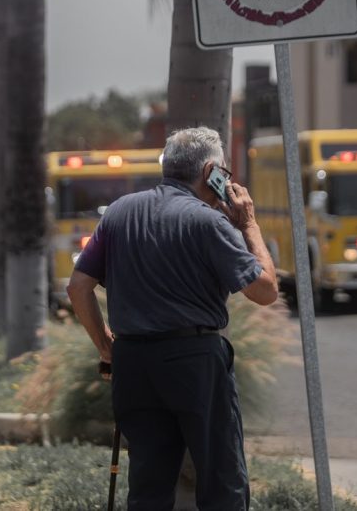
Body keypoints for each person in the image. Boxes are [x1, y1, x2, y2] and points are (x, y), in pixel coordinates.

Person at [68, 126, 279, 510]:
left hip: (132, 362)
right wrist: (249, 224)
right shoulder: (208, 222)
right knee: (222, 480)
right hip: (194, 360)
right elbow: (265, 291)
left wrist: (106, 347)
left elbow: (78, 287)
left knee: (148, 485)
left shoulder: (119, 212)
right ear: (210, 171)